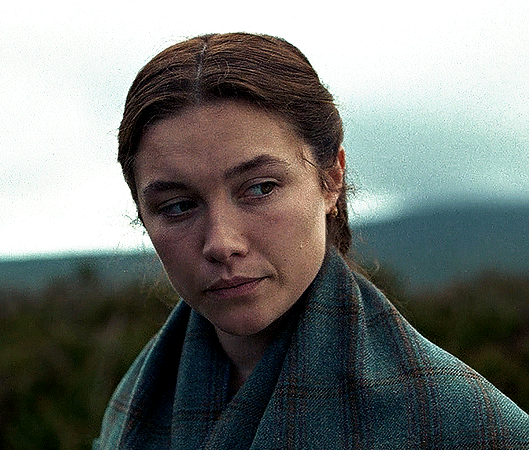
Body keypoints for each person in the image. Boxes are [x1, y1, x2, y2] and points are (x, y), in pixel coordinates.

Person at [93, 33, 529, 449]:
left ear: (331, 177)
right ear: (142, 214)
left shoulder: (465, 426)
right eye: (177, 206)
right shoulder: (135, 400)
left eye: (260, 188)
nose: (222, 243)